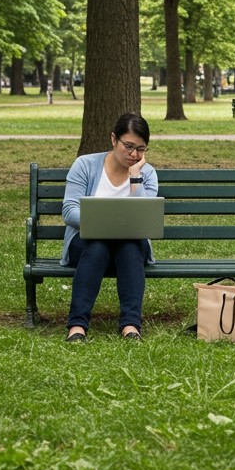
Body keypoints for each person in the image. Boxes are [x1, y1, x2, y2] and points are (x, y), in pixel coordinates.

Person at [61, 113, 158, 342]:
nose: (134, 155)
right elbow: (69, 210)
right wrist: (100, 224)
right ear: (114, 139)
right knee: (98, 246)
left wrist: (135, 178)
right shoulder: (85, 165)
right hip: (86, 243)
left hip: (130, 245)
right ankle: (77, 326)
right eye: (129, 146)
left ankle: (131, 326)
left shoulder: (147, 173)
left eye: (141, 149)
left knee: (130, 246)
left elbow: (144, 217)